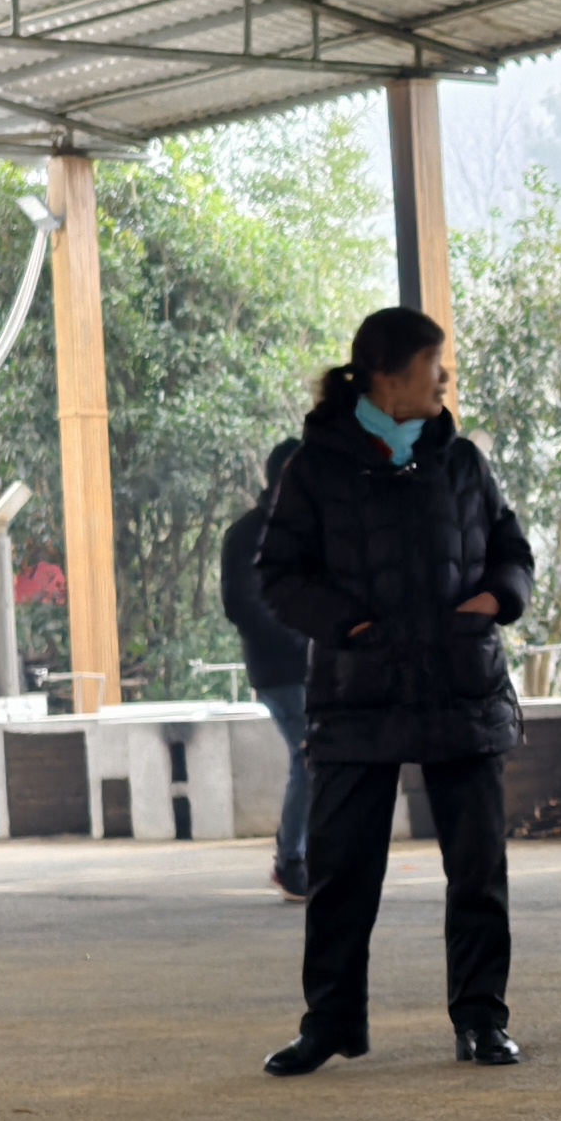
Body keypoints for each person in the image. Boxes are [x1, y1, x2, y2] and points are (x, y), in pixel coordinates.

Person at [258, 308, 531, 1073]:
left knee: (477, 871)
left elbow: (511, 548)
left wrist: (498, 598)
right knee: (341, 874)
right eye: (433, 365)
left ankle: (482, 1020)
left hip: (461, 687)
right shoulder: (315, 469)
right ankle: (329, 1025)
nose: (444, 379)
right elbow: (277, 576)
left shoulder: (463, 462)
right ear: (387, 376)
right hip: (358, 694)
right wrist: (345, 624)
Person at [221, 438, 315, 899]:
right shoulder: (246, 535)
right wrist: (297, 635)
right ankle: (291, 859)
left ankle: (304, 855)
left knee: (315, 757)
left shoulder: (309, 530)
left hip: (313, 665)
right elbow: (241, 604)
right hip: (279, 668)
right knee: (310, 755)